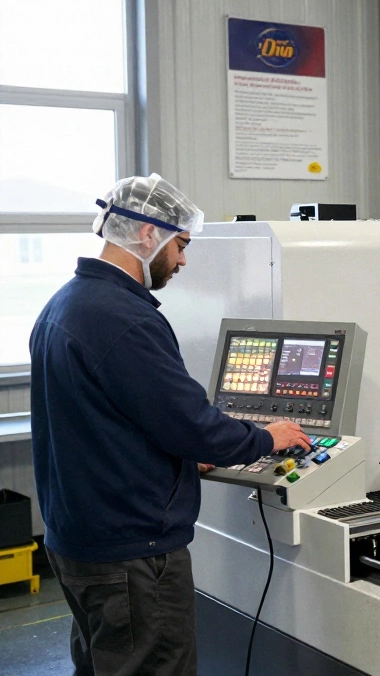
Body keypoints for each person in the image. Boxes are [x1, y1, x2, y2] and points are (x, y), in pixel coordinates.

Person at [28, 175, 312, 675]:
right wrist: (268, 437)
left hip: (78, 540)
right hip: (133, 556)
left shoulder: (64, 305)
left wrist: (179, 460)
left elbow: (107, 424)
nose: (183, 261)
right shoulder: (124, 319)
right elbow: (192, 423)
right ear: (146, 234)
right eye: (181, 245)